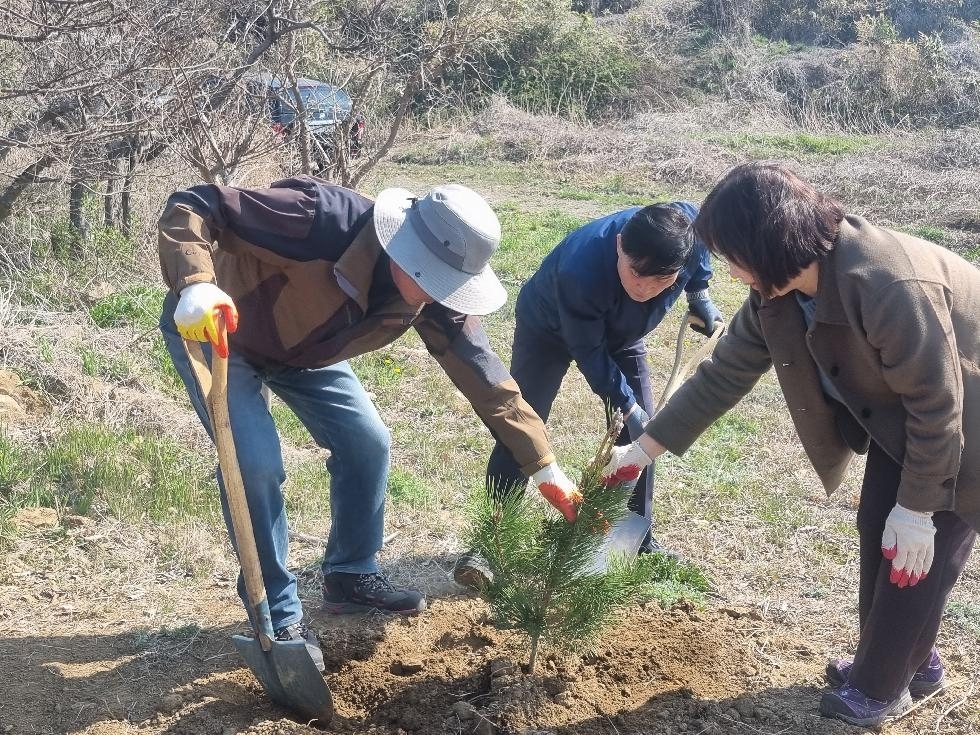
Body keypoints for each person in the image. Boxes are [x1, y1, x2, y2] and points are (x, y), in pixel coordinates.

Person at [601, 161, 979, 728]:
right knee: (880, 527)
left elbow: (938, 400)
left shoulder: (887, 284)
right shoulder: (777, 294)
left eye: (734, 256)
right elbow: (723, 374)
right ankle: (912, 662)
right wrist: (641, 452)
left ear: (769, 243)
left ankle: (880, 690)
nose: (731, 273)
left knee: (913, 552)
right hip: (908, 416)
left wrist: (920, 505)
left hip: (964, 412)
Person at [157, 175, 580, 672]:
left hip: (308, 351)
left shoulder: (433, 297)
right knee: (255, 465)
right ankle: (274, 609)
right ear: (402, 247)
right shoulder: (320, 219)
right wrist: (195, 284)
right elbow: (197, 204)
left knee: (368, 442)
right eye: (432, 278)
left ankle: (350, 575)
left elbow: (486, 377)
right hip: (222, 331)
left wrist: (543, 464)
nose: (436, 295)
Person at [456, 202, 722, 587]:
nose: (645, 289)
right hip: (549, 329)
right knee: (521, 427)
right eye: (636, 274)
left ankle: (636, 537)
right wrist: (627, 405)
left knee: (646, 437)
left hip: (624, 334)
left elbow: (700, 261)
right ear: (619, 246)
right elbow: (591, 353)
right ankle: (492, 542)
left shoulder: (690, 235)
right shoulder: (579, 270)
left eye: (662, 281)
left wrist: (698, 294)